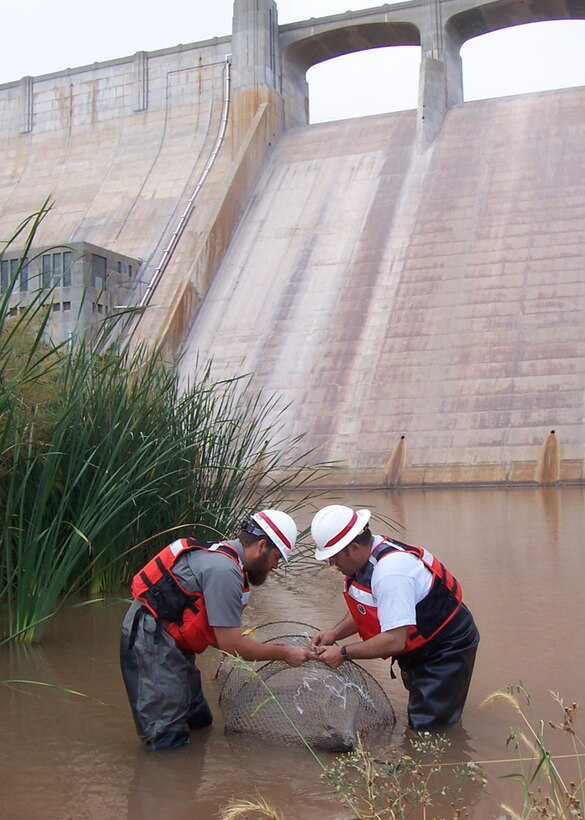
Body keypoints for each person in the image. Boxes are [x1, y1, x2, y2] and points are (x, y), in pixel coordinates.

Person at [120, 509, 312, 750]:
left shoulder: (226, 556)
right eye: (277, 558)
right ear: (262, 546)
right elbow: (230, 646)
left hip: (171, 638)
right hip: (151, 640)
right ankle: (164, 779)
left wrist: (266, 648)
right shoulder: (226, 571)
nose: (275, 566)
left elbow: (215, 632)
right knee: (167, 738)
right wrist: (283, 654)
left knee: (199, 720)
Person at [310, 505, 479, 731]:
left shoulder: (391, 573)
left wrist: (343, 653)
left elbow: (394, 641)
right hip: (420, 645)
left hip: (446, 647)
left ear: (353, 548)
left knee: (427, 731)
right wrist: (334, 634)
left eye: (333, 556)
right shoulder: (365, 561)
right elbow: (368, 610)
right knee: (423, 708)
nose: (332, 564)